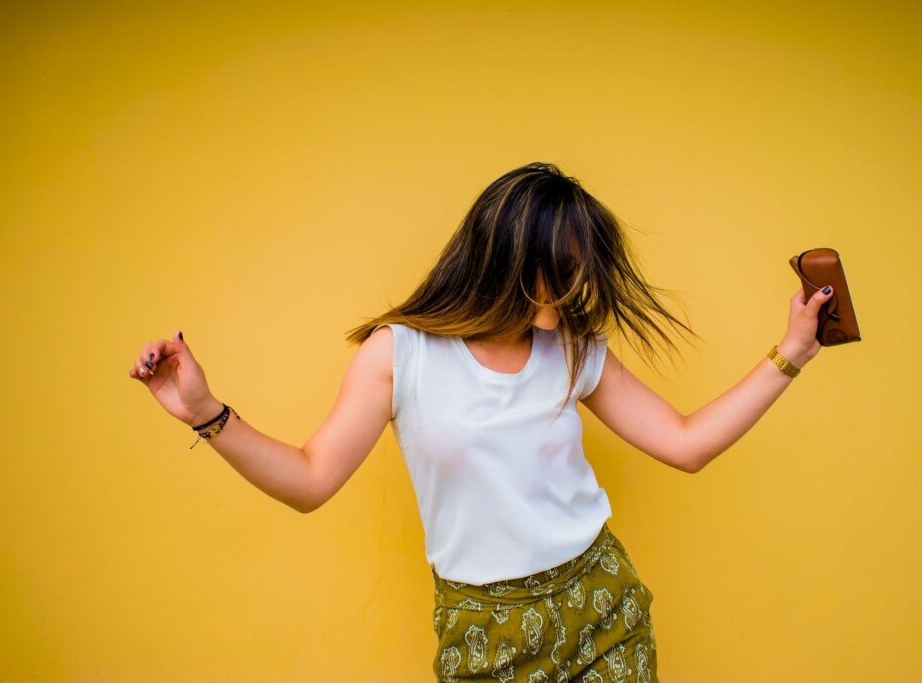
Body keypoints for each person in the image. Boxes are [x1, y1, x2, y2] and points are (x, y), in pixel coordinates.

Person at [128, 161, 834, 682]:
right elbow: (311, 480)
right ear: (507, 262)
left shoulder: (573, 348)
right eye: (564, 268)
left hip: (602, 610)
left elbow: (686, 443)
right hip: (483, 630)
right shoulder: (398, 353)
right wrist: (205, 414)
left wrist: (792, 352)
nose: (578, 286)